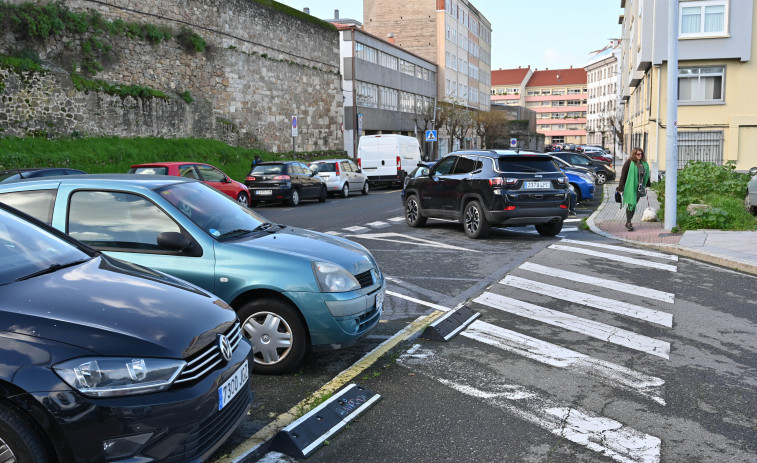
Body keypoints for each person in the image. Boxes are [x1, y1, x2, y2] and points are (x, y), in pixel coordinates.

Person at [616, 147, 651, 231]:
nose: (640, 155)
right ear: (634, 154)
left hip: (640, 187)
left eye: (641, 154)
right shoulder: (629, 163)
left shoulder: (644, 163)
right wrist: (620, 188)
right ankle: (628, 222)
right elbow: (623, 176)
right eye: (638, 154)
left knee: (634, 204)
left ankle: (629, 221)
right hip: (630, 187)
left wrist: (648, 184)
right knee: (631, 203)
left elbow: (646, 174)